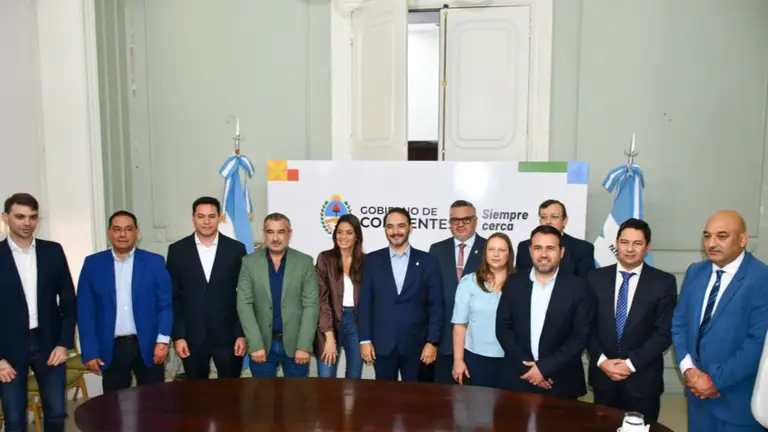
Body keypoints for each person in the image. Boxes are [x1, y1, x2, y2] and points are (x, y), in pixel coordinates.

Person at [672, 210, 768, 431]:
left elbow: (757, 343)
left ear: (742, 240)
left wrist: (714, 381)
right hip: (697, 397)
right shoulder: (695, 272)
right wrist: (689, 370)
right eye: (707, 236)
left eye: (722, 236)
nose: (712, 243)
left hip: (737, 402)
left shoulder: (762, 278)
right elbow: (679, 324)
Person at [587, 218, 677, 423]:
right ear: (616, 243)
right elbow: (586, 326)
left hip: (642, 381)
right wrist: (601, 361)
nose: (629, 249)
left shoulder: (663, 282)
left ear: (648, 247)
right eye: (624, 242)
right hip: (603, 378)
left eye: (637, 243)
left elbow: (664, 333)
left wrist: (630, 364)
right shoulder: (595, 278)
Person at [0, 193, 76, 432]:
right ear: (5, 217)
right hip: (8, 351)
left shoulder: (52, 251)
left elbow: (69, 301)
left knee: (56, 414)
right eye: (20, 216)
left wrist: (63, 344)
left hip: (50, 345)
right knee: (14, 420)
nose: (27, 223)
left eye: (33, 217)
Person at [77, 210, 173, 392]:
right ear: (109, 233)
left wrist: (163, 341)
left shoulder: (154, 262)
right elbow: (85, 312)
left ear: (137, 233)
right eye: (117, 229)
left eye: (128, 229)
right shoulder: (92, 264)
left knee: (154, 401)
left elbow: (165, 306)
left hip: (149, 345)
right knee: (115, 403)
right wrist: (90, 351)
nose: (122, 234)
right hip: (111, 347)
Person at [496, 225, 593, 399]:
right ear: (530, 251)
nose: (543, 254)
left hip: (560, 381)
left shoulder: (578, 287)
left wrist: (543, 369)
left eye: (550, 248)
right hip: (518, 377)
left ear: (561, 252)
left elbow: (580, 336)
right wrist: (528, 368)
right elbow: (503, 327)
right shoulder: (514, 282)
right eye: (538, 248)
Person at [358, 207, 444, 381]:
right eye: (390, 227)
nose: (395, 231)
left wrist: (432, 342)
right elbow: (365, 303)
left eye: (401, 226)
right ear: (385, 230)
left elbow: (436, 305)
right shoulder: (372, 261)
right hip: (382, 345)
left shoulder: (428, 261)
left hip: (417, 346)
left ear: (410, 228)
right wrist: (365, 340)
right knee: (384, 394)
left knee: (415, 396)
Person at [166, 197, 247, 380]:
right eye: (201, 216)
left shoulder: (236, 249)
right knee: (196, 394)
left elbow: (244, 296)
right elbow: (173, 297)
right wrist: (178, 336)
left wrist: (241, 334)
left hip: (229, 338)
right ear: (193, 218)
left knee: (230, 392)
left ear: (219, 218)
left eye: (211, 216)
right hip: (192, 338)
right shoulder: (177, 250)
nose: (206, 222)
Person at [236, 213, 319, 377]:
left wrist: (304, 346)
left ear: (289, 233)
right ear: (264, 233)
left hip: (296, 346)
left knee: (297, 393)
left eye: (281, 232)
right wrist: (255, 344)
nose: (275, 238)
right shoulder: (249, 262)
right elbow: (244, 303)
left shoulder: (305, 262)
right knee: (262, 393)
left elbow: (311, 305)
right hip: (262, 345)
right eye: (270, 232)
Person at [427, 200, 486, 384]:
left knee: (476, 397)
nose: (460, 224)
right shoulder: (436, 250)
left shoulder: (489, 249)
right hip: (444, 340)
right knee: (442, 397)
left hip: (478, 342)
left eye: (466, 219)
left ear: (475, 221)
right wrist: (432, 340)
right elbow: (431, 298)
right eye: (455, 220)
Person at [451, 232, 514, 388]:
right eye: (491, 249)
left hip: (511, 358)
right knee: (477, 402)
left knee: (508, 402)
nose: (496, 254)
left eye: (501, 250)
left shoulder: (520, 283)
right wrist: (458, 360)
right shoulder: (469, 282)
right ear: (485, 253)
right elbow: (459, 325)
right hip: (476, 358)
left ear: (509, 254)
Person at [314, 214, 366, 379]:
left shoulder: (366, 261)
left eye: (349, 232)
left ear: (357, 236)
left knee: (354, 379)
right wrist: (329, 336)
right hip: (329, 321)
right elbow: (321, 299)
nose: (343, 236)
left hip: (357, 323)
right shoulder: (325, 258)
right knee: (326, 378)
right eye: (339, 232)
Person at [515, 199, 595, 278]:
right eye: (543, 217)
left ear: (565, 221)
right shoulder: (524, 246)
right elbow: (519, 279)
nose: (548, 221)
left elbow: (585, 283)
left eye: (554, 217)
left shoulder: (582, 248)